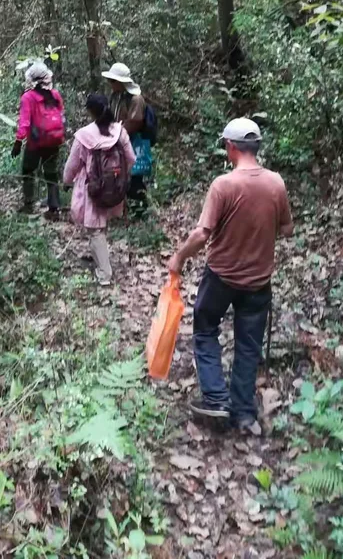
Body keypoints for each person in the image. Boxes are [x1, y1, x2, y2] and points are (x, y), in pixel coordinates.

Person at [167, 117, 293, 435]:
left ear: (231, 147)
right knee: (248, 346)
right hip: (258, 282)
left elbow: (202, 234)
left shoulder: (224, 185)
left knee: (205, 328)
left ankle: (215, 398)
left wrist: (178, 258)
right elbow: (287, 229)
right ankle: (244, 414)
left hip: (221, 277)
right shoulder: (276, 183)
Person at [63, 93, 135, 285]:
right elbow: (131, 158)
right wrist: (118, 177)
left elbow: (72, 166)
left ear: (90, 112)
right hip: (115, 187)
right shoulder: (120, 132)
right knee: (100, 227)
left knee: (95, 230)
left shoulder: (84, 136)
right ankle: (98, 258)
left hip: (93, 190)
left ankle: (104, 274)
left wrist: (66, 181)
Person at [12, 62, 65, 218]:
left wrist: (18, 141)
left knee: (28, 171)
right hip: (54, 140)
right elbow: (61, 116)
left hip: (35, 143)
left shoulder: (28, 97)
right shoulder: (55, 95)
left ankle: (29, 204)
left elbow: (24, 123)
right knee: (51, 173)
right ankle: (54, 208)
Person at [102, 62, 151, 211]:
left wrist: (117, 135)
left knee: (135, 176)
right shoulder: (117, 96)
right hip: (121, 142)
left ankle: (140, 210)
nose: (110, 84)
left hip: (134, 142)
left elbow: (135, 122)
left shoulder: (136, 99)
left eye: (113, 81)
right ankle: (125, 208)